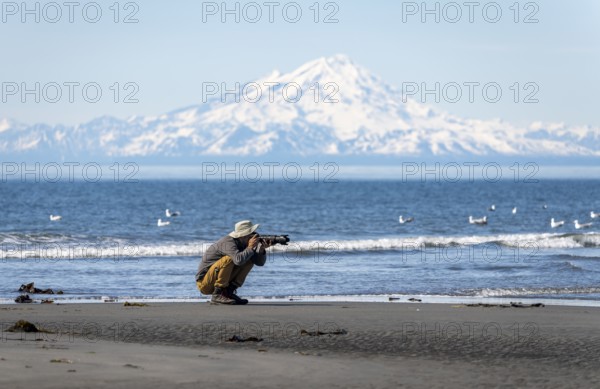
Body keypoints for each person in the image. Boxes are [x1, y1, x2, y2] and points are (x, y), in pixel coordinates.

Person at [195, 220, 271, 305]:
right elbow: (238, 260)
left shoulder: (244, 243)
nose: (255, 235)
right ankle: (217, 294)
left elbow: (260, 263)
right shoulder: (228, 242)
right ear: (243, 235)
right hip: (204, 284)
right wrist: (250, 248)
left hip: (215, 279)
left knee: (249, 259)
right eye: (252, 233)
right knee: (229, 259)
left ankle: (228, 293)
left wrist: (261, 250)